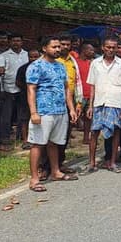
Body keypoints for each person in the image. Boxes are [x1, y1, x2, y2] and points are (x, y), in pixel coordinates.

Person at [26, 36, 79, 192]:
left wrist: (71, 108)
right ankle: (34, 179)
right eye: (54, 47)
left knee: (54, 143)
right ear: (44, 48)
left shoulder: (60, 66)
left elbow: (66, 88)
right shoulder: (36, 66)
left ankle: (55, 171)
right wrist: (33, 112)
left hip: (60, 110)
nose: (58, 49)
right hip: (43, 111)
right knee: (38, 143)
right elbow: (31, 89)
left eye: (58, 47)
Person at [86, 37, 121, 173]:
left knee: (115, 131)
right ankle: (92, 162)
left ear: (117, 48)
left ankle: (112, 162)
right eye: (108, 47)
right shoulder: (95, 63)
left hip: (115, 102)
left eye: (113, 47)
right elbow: (92, 85)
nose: (111, 50)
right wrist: (90, 105)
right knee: (94, 132)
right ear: (103, 48)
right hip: (99, 101)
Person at [0, 33, 28, 151]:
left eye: (18, 40)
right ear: (10, 42)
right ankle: (5, 138)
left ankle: (21, 136)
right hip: (8, 89)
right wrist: (1, 89)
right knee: (6, 115)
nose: (16, 43)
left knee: (22, 115)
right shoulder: (3, 56)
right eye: (14, 41)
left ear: (22, 42)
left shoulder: (27, 54)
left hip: (23, 89)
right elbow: (1, 74)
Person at [15, 49, 41, 149]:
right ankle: (25, 140)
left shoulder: (43, 67)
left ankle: (38, 139)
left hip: (41, 97)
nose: (33, 59)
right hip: (25, 97)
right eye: (31, 57)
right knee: (25, 119)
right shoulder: (23, 69)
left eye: (36, 57)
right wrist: (29, 88)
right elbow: (17, 82)